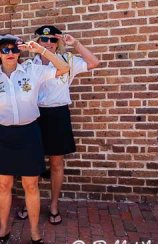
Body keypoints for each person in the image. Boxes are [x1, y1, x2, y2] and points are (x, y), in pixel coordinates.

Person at [0, 34, 69, 244]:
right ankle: (3, 230)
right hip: (2, 136)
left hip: (29, 134)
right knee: (3, 186)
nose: (11, 54)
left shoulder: (33, 71)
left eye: (14, 49)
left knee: (31, 186)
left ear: (20, 52)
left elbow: (63, 68)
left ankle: (36, 233)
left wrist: (41, 51)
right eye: (5, 50)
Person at [16, 26, 100, 225]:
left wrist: (76, 44)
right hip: (34, 115)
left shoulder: (67, 60)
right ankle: (31, 202)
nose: (48, 44)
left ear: (58, 42)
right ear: (37, 41)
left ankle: (54, 204)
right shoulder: (28, 65)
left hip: (57, 115)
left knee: (56, 163)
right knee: (32, 163)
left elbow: (95, 62)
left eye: (52, 40)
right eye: (44, 40)